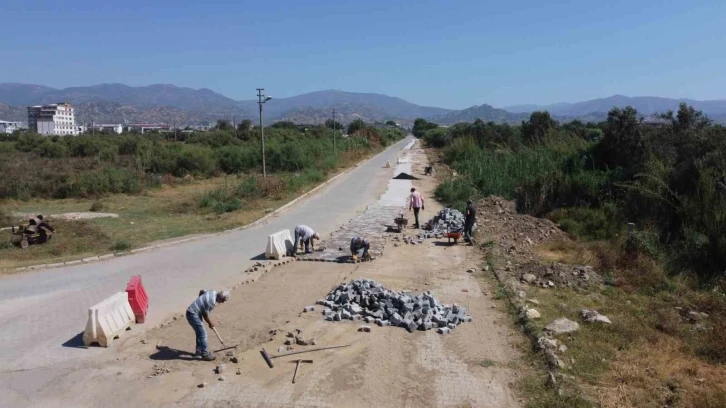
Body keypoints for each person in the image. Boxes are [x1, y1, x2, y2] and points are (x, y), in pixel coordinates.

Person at [186, 290, 229, 361]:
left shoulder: (212, 292)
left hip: (192, 311)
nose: (222, 302)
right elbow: (205, 315)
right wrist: (210, 323)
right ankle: (205, 354)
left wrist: (200, 302)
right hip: (193, 314)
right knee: (203, 334)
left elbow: (201, 291)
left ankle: (198, 352)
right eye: (223, 300)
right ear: (221, 298)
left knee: (199, 333)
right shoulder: (211, 303)